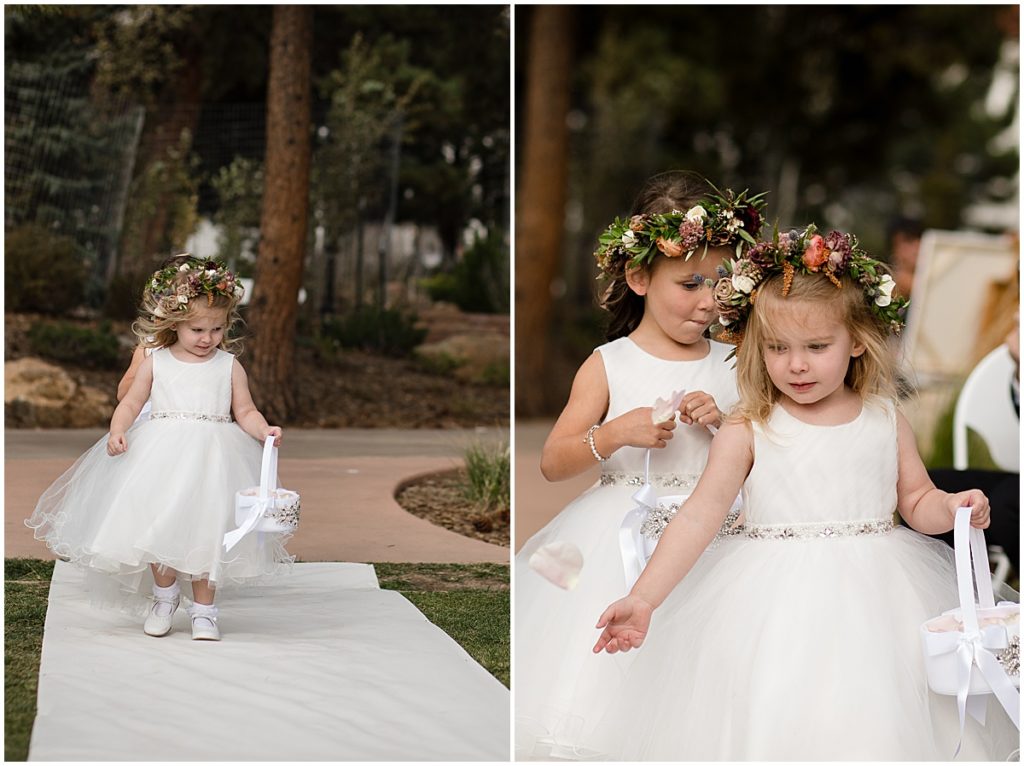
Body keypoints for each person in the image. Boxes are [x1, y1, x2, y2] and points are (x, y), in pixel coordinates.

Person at [591, 225, 1018, 760]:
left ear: (858, 340)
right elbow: (700, 516)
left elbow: (916, 503)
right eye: (778, 348)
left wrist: (952, 508)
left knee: (872, 709)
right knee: (778, 703)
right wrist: (644, 598)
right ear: (755, 347)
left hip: (879, 595)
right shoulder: (748, 428)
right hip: (771, 600)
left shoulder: (884, 419)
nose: (796, 364)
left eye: (817, 347)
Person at [515, 171, 768, 759]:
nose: (709, 299)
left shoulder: (737, 363)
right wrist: (613, 433)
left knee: (709, 652)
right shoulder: (608, 363)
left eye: (721, 282)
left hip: (717, 534)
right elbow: (554, 461)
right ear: (638, 277)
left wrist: (725, 421)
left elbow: (766, 453)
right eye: (690, 282)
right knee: (619, 665)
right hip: (617, 530)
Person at [27, 257, 292, 641]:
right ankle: (164, 599)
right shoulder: (157, 362)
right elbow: (131, 403)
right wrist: (118, 429)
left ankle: (204, 611)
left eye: (217, 329)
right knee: (161, 527)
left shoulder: (229, 366)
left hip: (213, 458)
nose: (207, 338)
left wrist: (263, 429)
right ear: (174, 324)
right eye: (197, 329)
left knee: (207, 529)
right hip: (162, 455)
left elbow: (245, 410)